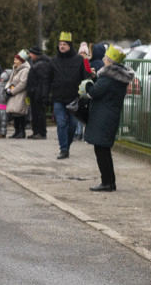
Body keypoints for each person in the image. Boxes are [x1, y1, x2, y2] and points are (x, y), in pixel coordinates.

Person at [83, 45, 134, 192]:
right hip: (110, 115)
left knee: (101, 150)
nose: (103, 60)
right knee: (104, 149)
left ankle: (107, 182)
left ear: (110, 62)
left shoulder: (109, 77)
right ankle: (110, 182)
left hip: (103, 117)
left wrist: (87, 82)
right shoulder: (117, 77)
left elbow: (94, 92)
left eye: (105, 58)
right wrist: (95, 77)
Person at [49, 32, 92, 160]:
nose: (62, 46)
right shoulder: (53, 61)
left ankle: (66, 145)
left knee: (73, 125)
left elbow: (87, 77)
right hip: (58, 98)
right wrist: (47, 94)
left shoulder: (80, 60)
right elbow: (48, 79)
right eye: (60, 44)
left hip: (74, 98)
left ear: (70, 46)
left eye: (64, 44)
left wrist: (85, 93)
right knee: (61, 123)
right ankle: (64, 149)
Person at [26, 45, 52, 140]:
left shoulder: (42, 64)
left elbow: (43, 81)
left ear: (35, 54)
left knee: (39, 113)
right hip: (34, 92)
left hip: (38, 93)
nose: (29, 55)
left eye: (31, 53)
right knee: (35, 113)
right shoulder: (34, 62)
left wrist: (42, 94)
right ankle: (35, 132)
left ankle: (41, 133)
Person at [6, 50, 30, 139]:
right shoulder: (16, 69)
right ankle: (17, 131)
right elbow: (11, 80)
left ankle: (22, 132)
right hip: (14, 94)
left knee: (20, 114)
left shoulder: (25, 70)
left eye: (16, 60)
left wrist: (12, 91)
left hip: (20, 94)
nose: (14, 61)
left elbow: (23, 83)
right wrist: (7, 88)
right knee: (15, 113)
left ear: (22, 61)